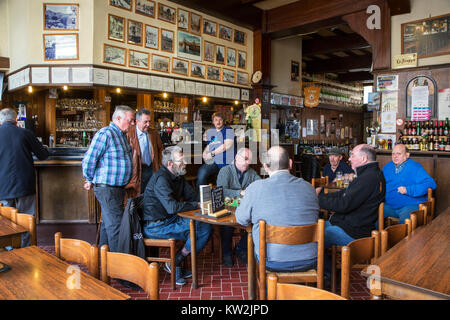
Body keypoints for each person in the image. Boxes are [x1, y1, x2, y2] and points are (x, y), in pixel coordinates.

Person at [235, 146, 319, 272]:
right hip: (310, 259)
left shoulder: (255, 188)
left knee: (250, 245)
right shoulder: (309, 188)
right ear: (290, 163)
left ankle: (266, 289)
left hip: (272, 261)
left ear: (265, 166)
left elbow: (241, 219)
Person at [142, 146, 212, 286]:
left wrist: (206, 198)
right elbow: (172, 207)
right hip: (156, 225)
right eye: (181, 160)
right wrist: (197, 205)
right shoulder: (161, 179)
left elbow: (191, 197)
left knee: (204, 226)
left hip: (169, 219)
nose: (185, 162)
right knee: (202, 228)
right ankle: (176, 263)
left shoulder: (177, 175)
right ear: (170, 164)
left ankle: (177, 261)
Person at [82, 105, 135, 253]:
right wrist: (89, 178)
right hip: (107, 188)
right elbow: (89, 159)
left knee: (108, 224)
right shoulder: (106, 134)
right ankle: (119, 271)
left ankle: (104, 260)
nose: (132, 124)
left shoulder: (121, 135)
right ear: (118, 118)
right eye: (130, 120)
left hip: (117, 188)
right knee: (116, 227)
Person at [317, 144, 385, 250]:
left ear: (363, 159)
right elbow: (345, 192)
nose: (349, 158)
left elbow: (343, 204)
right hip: (357, 226)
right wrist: (324, 196)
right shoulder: (374, 174)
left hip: (356, 233)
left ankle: (324, 266)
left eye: (352, 155)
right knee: (318, 227)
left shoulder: (366, 179)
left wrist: (316, 201)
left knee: (315, 233)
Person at [0, 108, 49, 247]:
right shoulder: (25, 133)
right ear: (16, 119)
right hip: (24, 182)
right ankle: (26, 248)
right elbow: (43, 155)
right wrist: (44, 148)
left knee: (5, 219)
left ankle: (9, 248)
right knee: (27, 217)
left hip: (2, 184)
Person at [216, 147, 261, 266]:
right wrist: (240, 192)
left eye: (249, 160)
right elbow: (221, 191)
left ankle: (241, 249)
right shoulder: (225, 171)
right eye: (245, 159)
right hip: (227, 208)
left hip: (244, 208)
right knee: (227, 225)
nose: (248, 162)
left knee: (255, 222)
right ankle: (226, 252)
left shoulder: (251, 172)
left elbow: (260, 185)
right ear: (236, 157)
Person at [382, 143, 436, 224]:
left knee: (405, 222)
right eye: (393, 153)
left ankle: (402, 237)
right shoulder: (387, 167)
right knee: (371, 214)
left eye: (399, 153)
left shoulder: (415, 167)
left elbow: (431, 183)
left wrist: (408, 190)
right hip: (390, 205)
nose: (395, 156)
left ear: (407, 155)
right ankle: (376, 236)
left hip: (409, 204)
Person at [125, 108, 163, 201]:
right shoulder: (128, 134)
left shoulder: (153, 133)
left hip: (152, 168)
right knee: (137, 197)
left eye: (149, 121)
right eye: (145, 122)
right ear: (137, 121)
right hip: (136, 170)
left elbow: (160, 151)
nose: (148, 124)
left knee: (152, 196)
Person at [196, 112, 235, 190]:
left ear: (223, 121)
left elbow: (226, 146)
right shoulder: (212, 132)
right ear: (213, 122)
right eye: (216, 120)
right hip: (215, 162)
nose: (218, 122)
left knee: (223, 181)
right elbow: (210, 145)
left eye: (220, 120)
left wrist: (212, 154)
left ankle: (221, 198)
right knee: (202, 173)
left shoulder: (228, 130)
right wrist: (205, 152)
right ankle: (202, 198)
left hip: (226, 162)